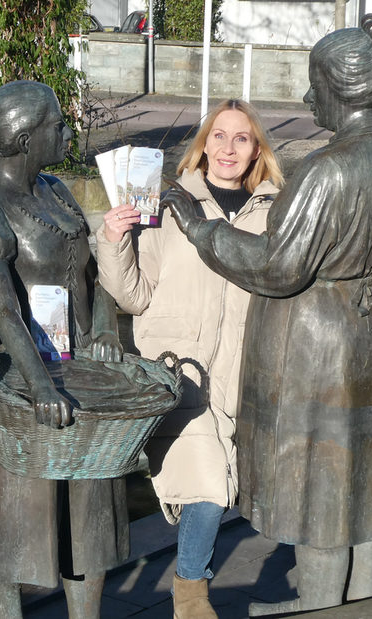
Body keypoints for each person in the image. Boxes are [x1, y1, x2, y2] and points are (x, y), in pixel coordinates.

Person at [163, 14, 372, 616]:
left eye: (314, 83)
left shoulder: (327, 169)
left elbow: (277, 268)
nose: (306, 96)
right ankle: (364, 602)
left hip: (318, 346)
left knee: (324, 493)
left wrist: (200, 227)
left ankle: (324, 608)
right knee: (368, 485)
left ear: (338, 90)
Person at [96, 99, 283, 618]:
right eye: (218, 136)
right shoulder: (167, 202)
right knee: (207, 485)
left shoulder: (275, 211)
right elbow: (132, 296)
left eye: (241, 138)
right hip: (179, 370)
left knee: (223, 487)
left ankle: (190, 574)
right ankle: (190, 594)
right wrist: (113, 240)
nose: (227, 147)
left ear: (256, 150)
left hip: (243, 373)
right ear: (203, 146)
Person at [0, 80, 128, 619]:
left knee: (89, 506)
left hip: (79, 365)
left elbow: (98, 270)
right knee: (9, 512)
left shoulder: (57, 189)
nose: (67, 132)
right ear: (28, 137)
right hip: (20, 375)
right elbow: (4, 306)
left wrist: (104, 327)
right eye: (58, 125)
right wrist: (37, 386)